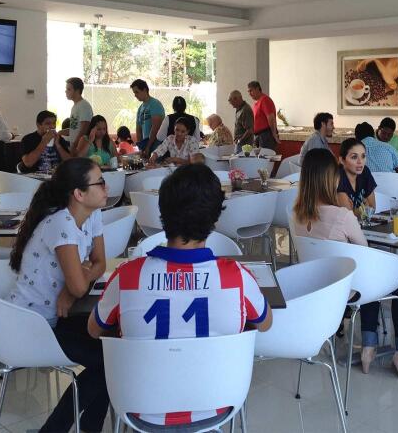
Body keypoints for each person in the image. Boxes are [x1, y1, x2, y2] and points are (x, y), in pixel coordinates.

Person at [89, 164, 272, 428]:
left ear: (162, 214)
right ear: (215, 220)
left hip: (140, 408)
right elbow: (265, 323)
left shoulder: (127, 276)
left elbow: (94, 329)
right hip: (217, 404)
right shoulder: (237, 277)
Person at [292, 148, 398, 378]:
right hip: (347, 287)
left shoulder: (296, 215)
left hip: (318, 285)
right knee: (396, 280)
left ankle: (369, 348)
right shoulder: (342, 216)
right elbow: (364, 251)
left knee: (370, 275)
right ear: (329, 179)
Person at [7, 158, 109, 432]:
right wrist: (75, 284)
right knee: (108, 362)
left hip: (56, 317)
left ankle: (87, 427)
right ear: (79, 194)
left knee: (112, 347)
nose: (107, 187)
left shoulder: (92, 215)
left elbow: (100, 263)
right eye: (100, 182)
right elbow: (80, 286)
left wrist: (75, 283)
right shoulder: (61, 222)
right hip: (31, 324)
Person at [337, 138, 376, 213]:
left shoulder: (365, 172)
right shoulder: (338, 177)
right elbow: (348, 214)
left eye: (363, 156)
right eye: (354, 157)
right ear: (342, 160)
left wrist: (358, 210)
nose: (360, 161)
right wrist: (364, 207)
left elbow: (372, 207)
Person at [131, 79, 165, 155]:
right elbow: (138, 129)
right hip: (146, 144)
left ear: (144, 90)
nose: (135, 95)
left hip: (156, 144)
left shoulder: (155, 104)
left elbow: (156, 128)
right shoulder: (140, 108)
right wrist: (141, 147)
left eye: (137, 92)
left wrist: (148, 146)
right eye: (134, 93)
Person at [63, 77, 93, 156]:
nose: (66, 91)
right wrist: (60, 132)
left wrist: (74, 146)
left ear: (77, 91)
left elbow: (84, 129)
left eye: (69, 89)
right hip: (75, 146)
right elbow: (75, 127)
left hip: (80, 148)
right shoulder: (75, 106)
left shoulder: (84, 106)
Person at [248, 81, 279, 150]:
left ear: (257, 89)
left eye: (251, 91)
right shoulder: (257, 102)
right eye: (248, 92)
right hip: (259, 136)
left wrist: (274, 133)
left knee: (265, 155)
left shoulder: (264, 100)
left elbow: (271, 118)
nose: (249, 94)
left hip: (266, 135)